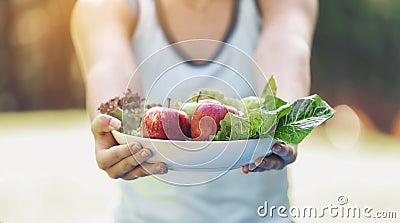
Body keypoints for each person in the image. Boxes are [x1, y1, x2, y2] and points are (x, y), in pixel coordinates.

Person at [71, 0, 318, 222]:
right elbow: (109, 66)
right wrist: (115, 126)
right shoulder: (104, 6)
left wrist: (285, 120)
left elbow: (287, 47)